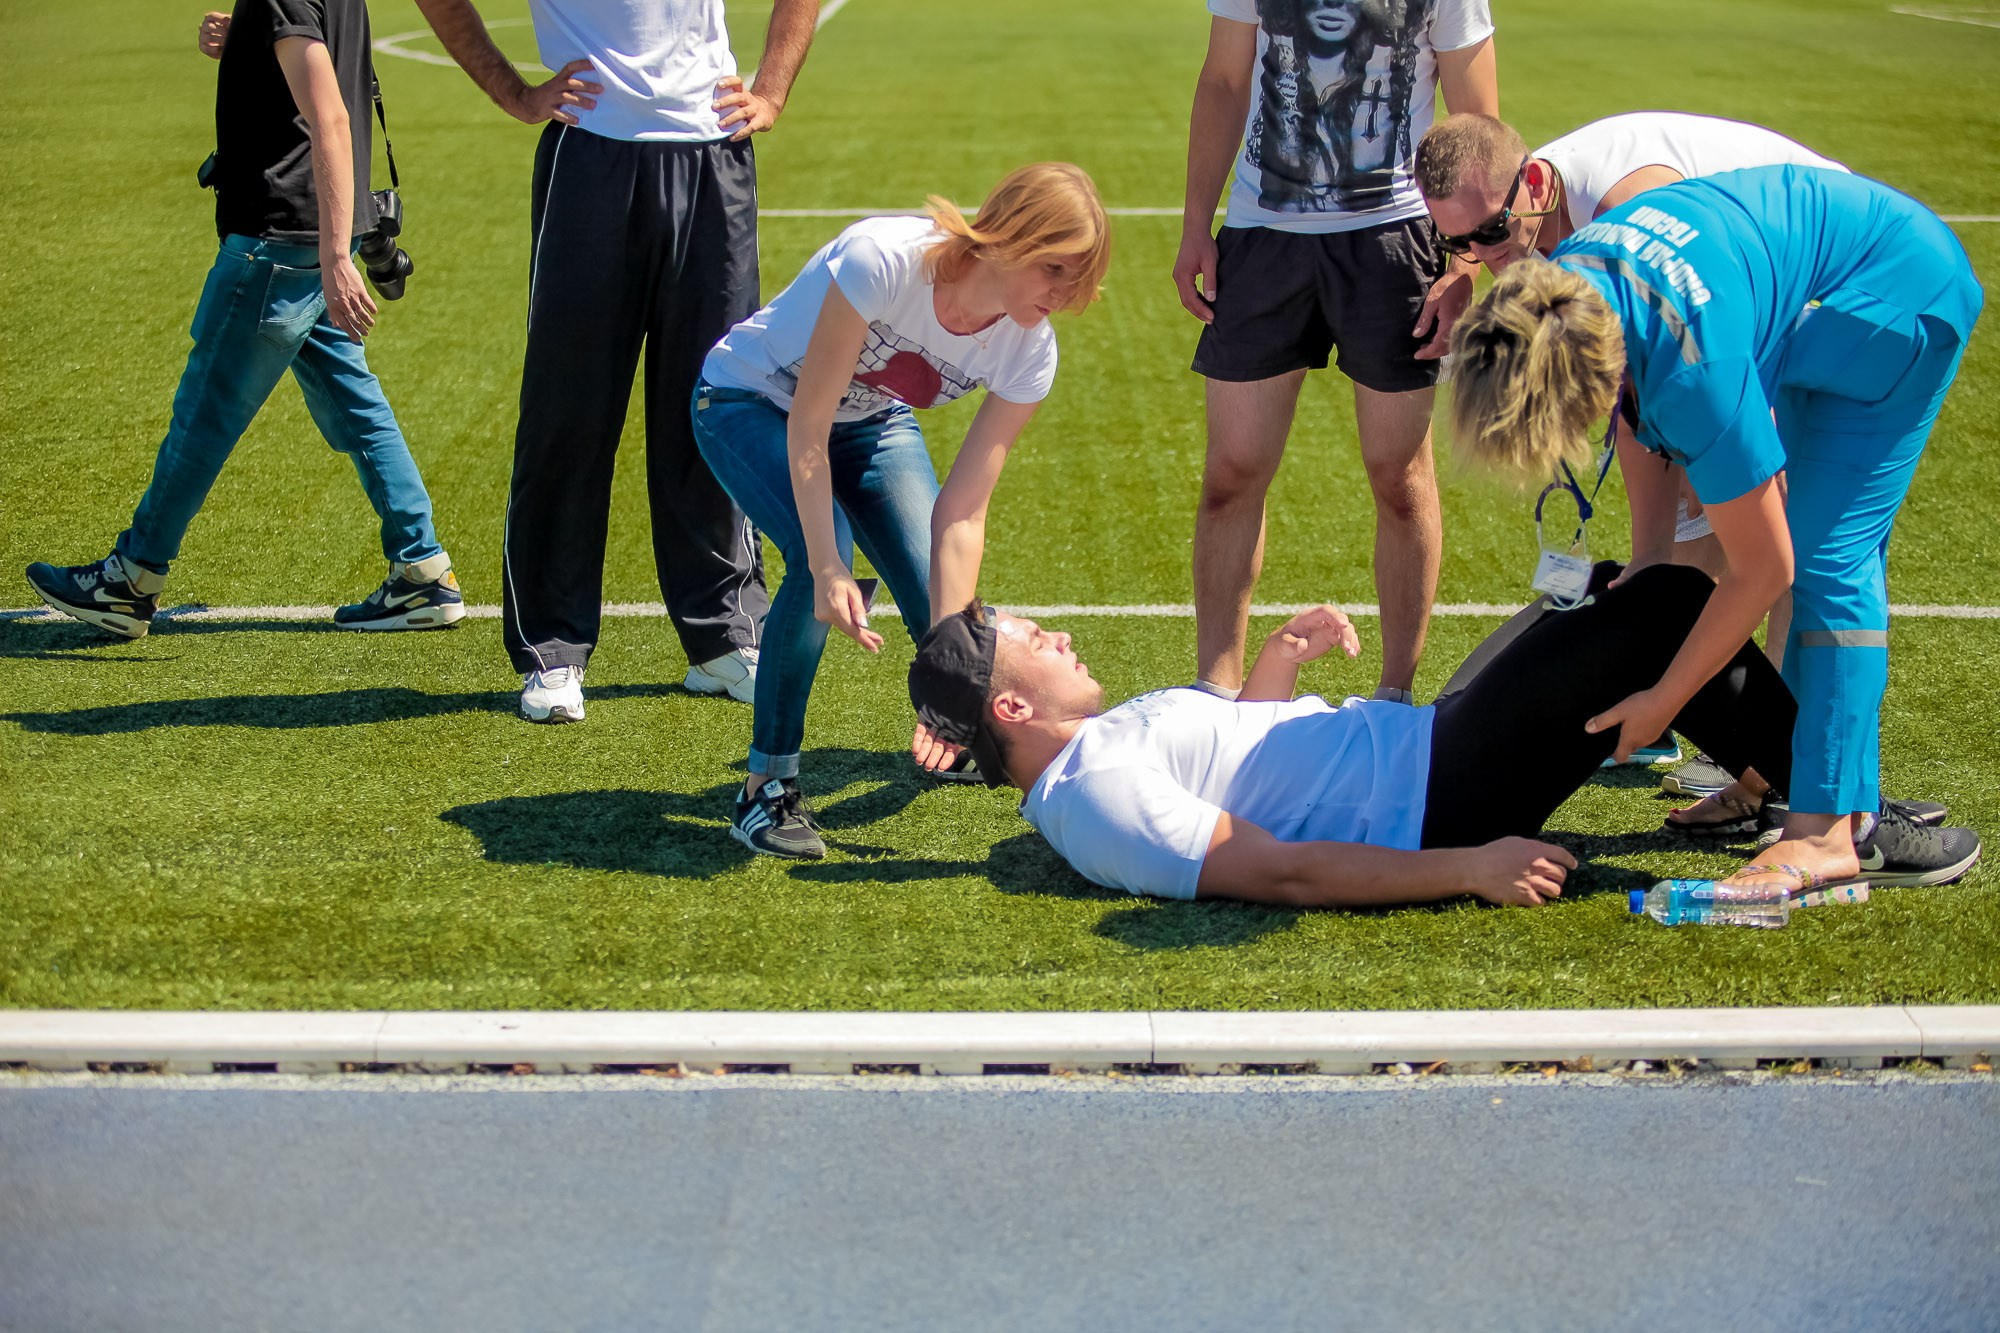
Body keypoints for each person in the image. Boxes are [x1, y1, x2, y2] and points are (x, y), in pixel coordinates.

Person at [1446, 165, 1985, 895]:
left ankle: (1827, 832)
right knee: (1791, 529)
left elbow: (1764, 571)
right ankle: (1790, 785)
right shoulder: (1560, 288)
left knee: (1827, 557)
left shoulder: (1698, 371)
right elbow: (1642, 418)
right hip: (1818, 298)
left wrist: (1664, 699)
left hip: (1896, 294)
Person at [905, 561, 1982, 907]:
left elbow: (1240, 757)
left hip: (1422, 748)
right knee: (1657, 613)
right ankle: (1843, 820)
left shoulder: (1099, 756)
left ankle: (1773, 786)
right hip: (1436, 797)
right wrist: (1469, 866)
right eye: (1034, 639)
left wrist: (1276, 666)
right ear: (1011, 709)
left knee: (1610, 597)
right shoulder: (1093, 803)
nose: (1058, 635)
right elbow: (1275, 870)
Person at [413, 0, 822, 722]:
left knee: (714, 404)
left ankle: (724, 634)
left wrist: (775, 87)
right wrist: (515, 92)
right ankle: (553, 646)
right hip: (591, 156)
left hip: (713, 156)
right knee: (569, 412)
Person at [1415, 110, 1850, 782]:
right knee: (1687, 525)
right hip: (1731, 292)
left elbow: (1669, 369)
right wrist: (1649, 563)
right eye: (1459, 243)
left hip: (1822, 282)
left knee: (1780, 522)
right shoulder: (1527, 206)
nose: (1486, 255)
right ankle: (1718, 726)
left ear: (1533, 182)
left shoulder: (1621, 208)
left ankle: (1789, 771)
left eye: (1493, 233)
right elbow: (1635, 397)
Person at [692, 164, 1111, 860]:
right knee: (821, 558)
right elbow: (808, 426)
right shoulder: (883, 261)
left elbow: (963, 511)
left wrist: (958, 676)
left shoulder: (1030, 348)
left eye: (1079, 278)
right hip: (748, 401)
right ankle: (766, 786)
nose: (1065, 295)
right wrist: (828, 564)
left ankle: (961, 734)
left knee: (945, 612)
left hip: (869, 423)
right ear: (1010, 236)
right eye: (1056, 269)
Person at [26, 3, 463, 639]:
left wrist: (336, 256)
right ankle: (422, 574)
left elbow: (331, 117)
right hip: (309, 235)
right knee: (357, 407)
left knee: (205, 413)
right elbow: (320, 64)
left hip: (280, 239)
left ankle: (131, 579)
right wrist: (250, 41)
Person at [1174, 0, 1496, 707]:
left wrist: (1467, 260)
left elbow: (1477, 120)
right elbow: (1225, 81)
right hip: (1263, 234)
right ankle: (1214, 695)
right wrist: (1198, 221)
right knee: (1231, 471)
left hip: (1393, 241)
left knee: (1398, 475)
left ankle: (1393, 696)